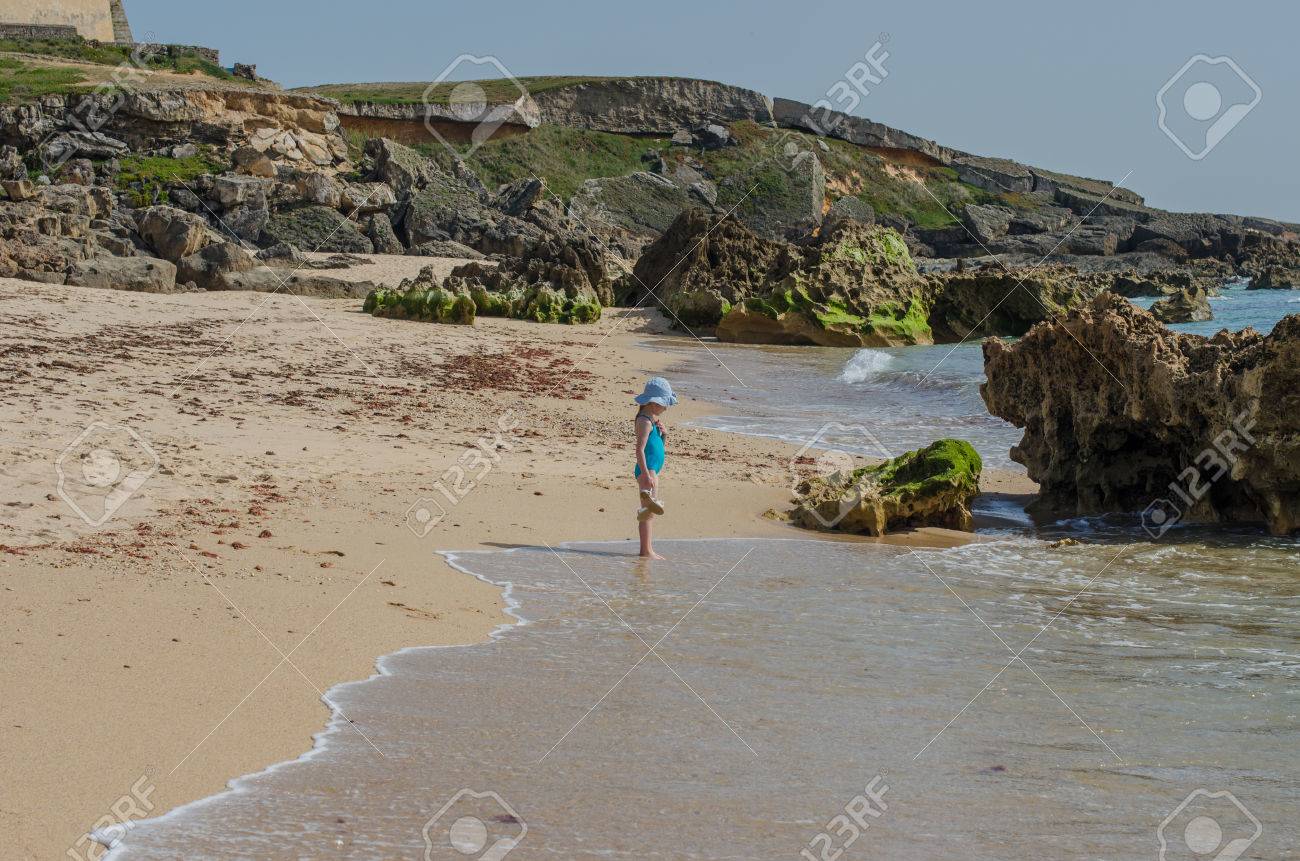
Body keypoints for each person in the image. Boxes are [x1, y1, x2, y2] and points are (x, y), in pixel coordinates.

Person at [632, 377, 676, 559]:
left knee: (649, 512)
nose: (666, 408)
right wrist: (645, 474)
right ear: (654, 403)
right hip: (647, 471)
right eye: (664, 404)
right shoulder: (645, 421)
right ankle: (646, 551)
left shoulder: (651, 419)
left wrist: (663, 435)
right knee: (647, 514)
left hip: (652, 470)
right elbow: (640, 449)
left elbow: (656, 447)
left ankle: (647, 549)